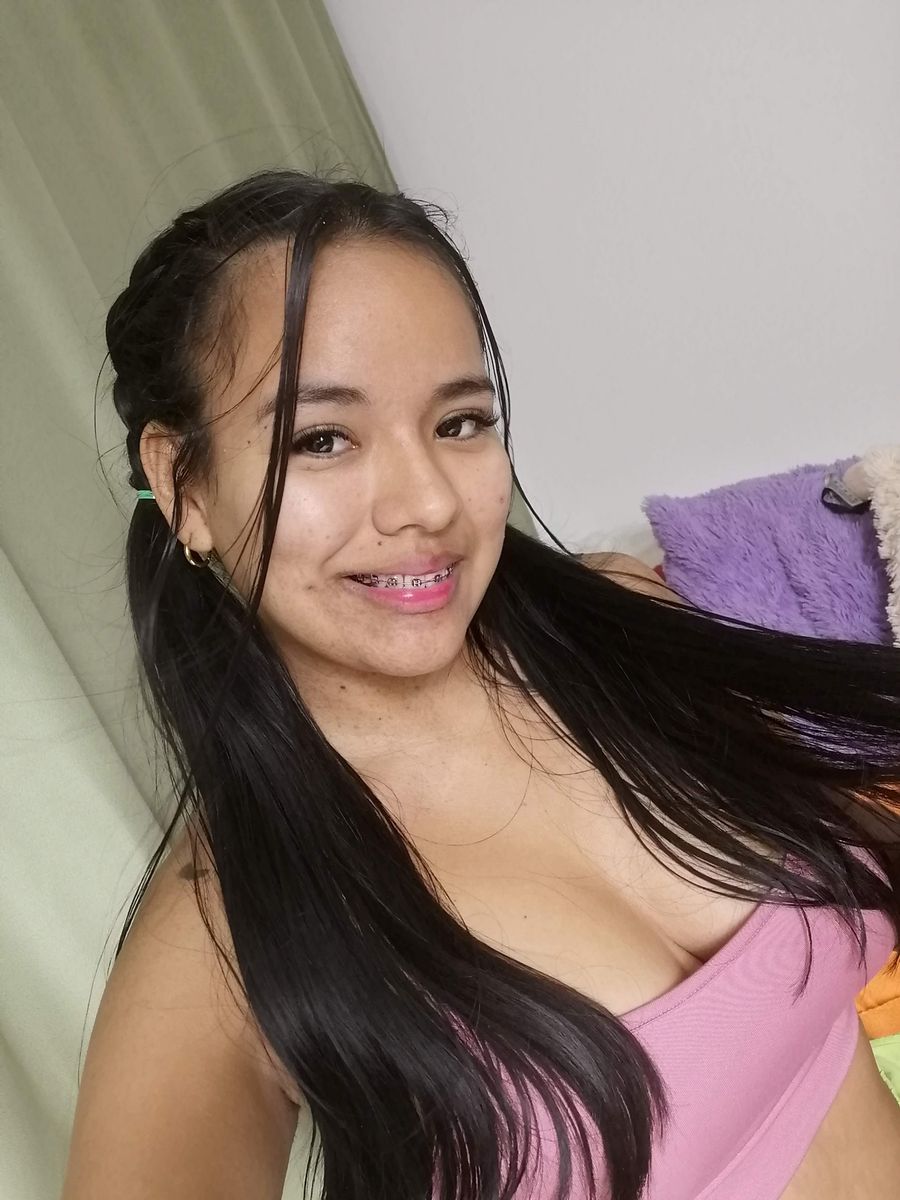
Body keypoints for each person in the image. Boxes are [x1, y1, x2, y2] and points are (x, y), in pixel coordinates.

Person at [61, 170, 900, 1200]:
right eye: (322, 439)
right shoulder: (223, 945)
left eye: (459, 422)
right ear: (183, 485)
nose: (426, 502)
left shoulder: (623, 622)